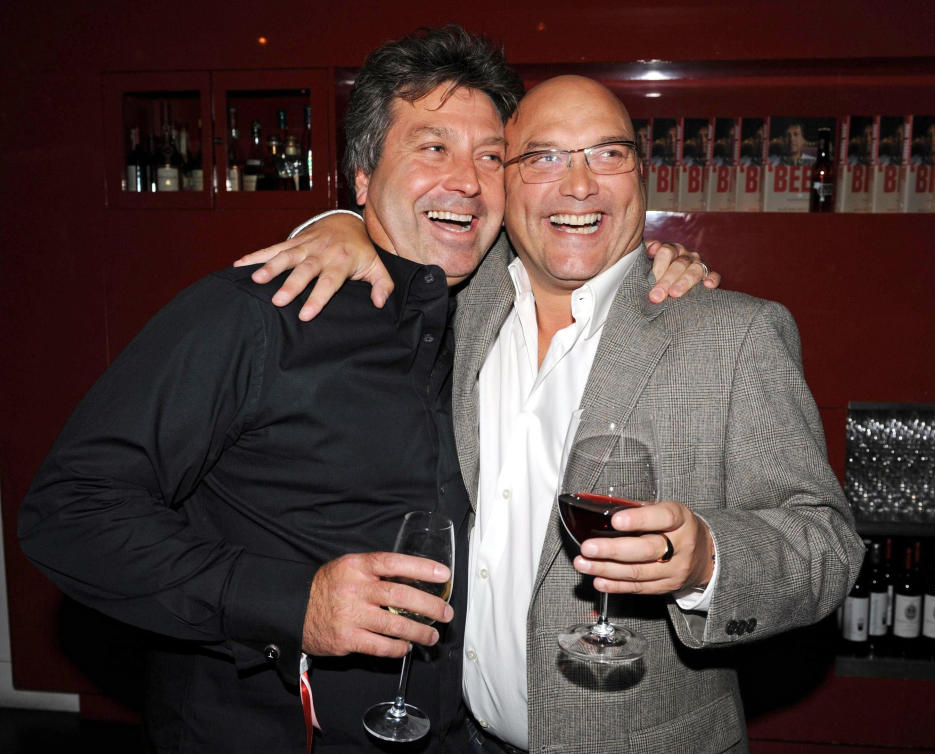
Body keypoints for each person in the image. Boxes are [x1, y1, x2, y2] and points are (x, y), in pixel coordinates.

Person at [17, 27, 712, 754]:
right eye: (432, 147)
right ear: (359, 177)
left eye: (490, 157)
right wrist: (295, 604)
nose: (468, 182)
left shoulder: (487, 322)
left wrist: (652, 269)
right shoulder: (257, 315)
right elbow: (68, 513)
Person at [251, 75, 864, 754]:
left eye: (608, 155)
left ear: (641, 176)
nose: (579, 186)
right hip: (458, 739)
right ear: (503, 186)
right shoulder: (461, 301)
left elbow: (826, 546)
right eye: (543, 158)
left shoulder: (733, 336)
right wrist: (332, 221)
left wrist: (707, 561)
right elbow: (392, 217)